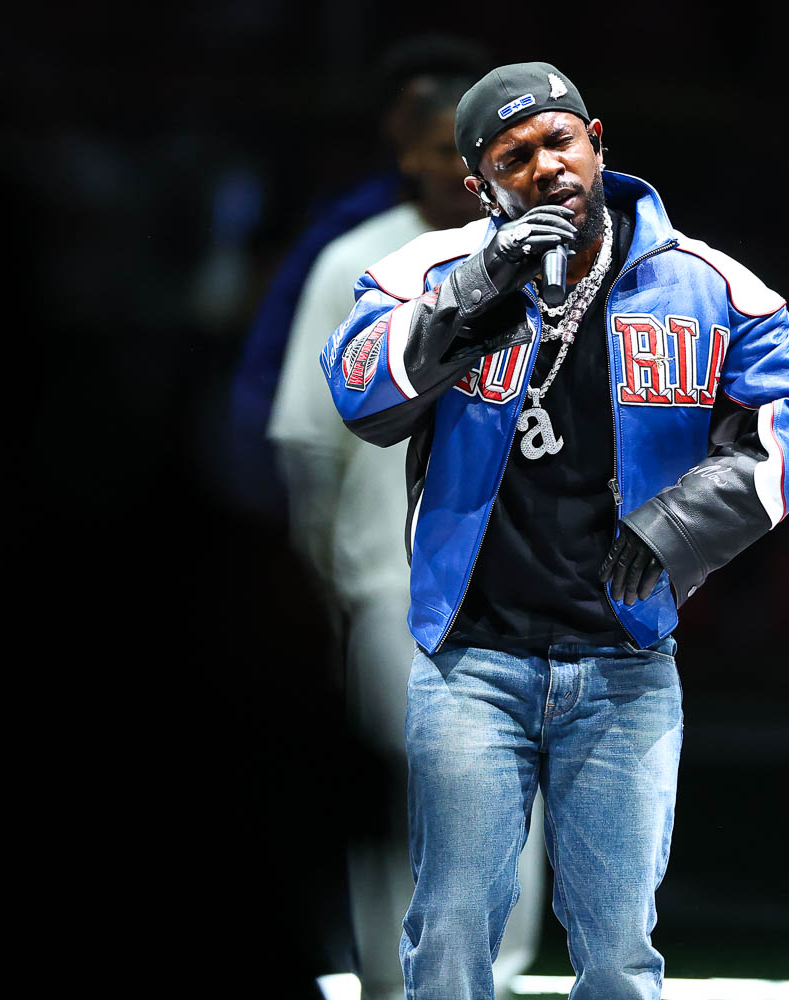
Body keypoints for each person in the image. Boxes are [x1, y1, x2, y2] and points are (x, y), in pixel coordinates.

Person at [320, 61, 789, 999]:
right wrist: (483, 280)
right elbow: (359, 391)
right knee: (447, 939)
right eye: (513, 158)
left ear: (596, 142)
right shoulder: (426, 273)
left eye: (559, 141)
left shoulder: (705, 284)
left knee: (618, 956)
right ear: (479, 185)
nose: (546, 167)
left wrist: (683, 525)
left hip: (624, 666)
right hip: (473, 663)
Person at [266, 51, 550, 1000]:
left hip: (517, 578)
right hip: (389, 581)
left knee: (512, 791)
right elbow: (308, 445)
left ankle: (496, 979)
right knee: (411, 801)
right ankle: (394, 985)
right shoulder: (356, 262)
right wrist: (317, 578)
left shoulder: (556, 261)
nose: (445, 166)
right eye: (432, 147)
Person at [228, 35, 492, 519]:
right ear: (396, 125)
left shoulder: (542, 237)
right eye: (422, 104)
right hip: (375, 501)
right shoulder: (347, 238)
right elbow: (288, 394)